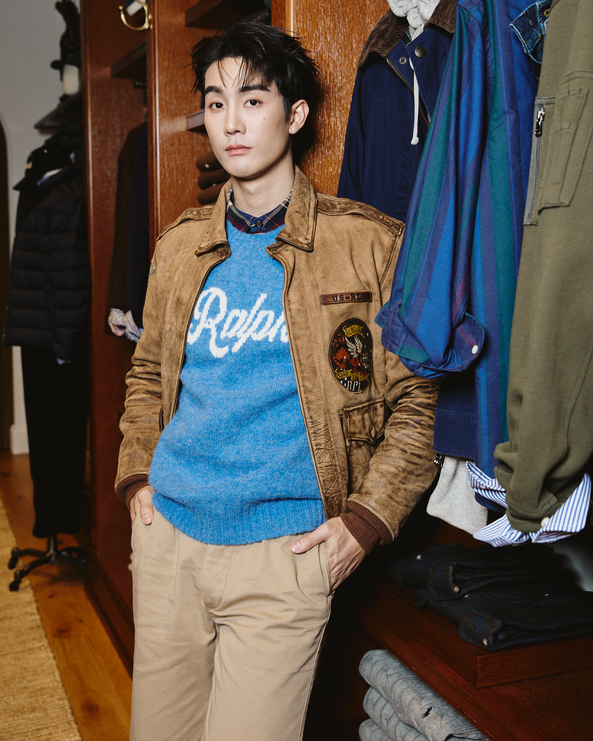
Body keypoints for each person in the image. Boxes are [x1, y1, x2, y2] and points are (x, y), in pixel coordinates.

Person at [115, 21, 439, 741]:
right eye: (216, 102)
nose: (231, 122)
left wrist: (366, 520)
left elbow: (418, 400)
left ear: (294, 115)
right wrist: (137, 479)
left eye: (252, 100)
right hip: (169, 543)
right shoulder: (180, 246)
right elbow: (147, 373)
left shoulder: (366, 245)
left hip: (283, 556)